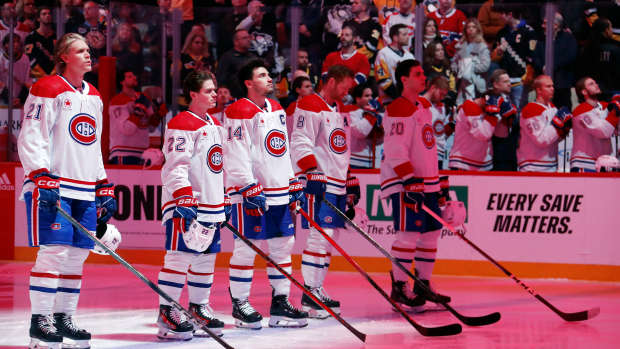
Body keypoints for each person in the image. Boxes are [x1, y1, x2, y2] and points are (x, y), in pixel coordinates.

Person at [18, 33, 118, 349]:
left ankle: (64, 319)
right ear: (64, 56)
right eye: (81, 50)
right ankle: (41, 323)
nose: (88, 55)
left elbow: (93, 146)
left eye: (89, 50)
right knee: (54, 254)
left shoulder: (94, 95)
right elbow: (32, 136)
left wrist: (102, 183)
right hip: (54, 185)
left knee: (76, 257)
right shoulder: (46, 88)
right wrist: (40, 174)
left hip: (85, 187)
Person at [224, 59, 308, 329]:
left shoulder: (277, 108)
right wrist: (247, 185)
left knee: (283, 245)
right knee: (247, 248)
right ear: (249, 83)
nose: (269, 78)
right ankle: (240, 303)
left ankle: (280, 302)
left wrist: (292, 179)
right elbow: (235, 152)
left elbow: (281, 148)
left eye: (268, 73)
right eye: (262, 75)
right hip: (251, 192)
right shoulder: (238, 110)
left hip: (279, 191)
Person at [155, 70, 226, 341]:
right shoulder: (182, 123)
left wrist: (224, 199)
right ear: (193, 95)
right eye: (208, 90)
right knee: (179, 257)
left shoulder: (215, 124)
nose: (214, 94)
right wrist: (184, 195)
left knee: (206, 259)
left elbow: (217, 167)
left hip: (210, 203)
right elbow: (174, 167)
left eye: (215, 89)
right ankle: (167, 312)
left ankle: (198, 308)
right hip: (186, 203)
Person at [379, 59, 451, 311]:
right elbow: (395, 150)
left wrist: (440, 185)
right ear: (404, 79)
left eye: (423, 74)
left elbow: (429, 149)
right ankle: (399, 286)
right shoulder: (399, 108)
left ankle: (422, 283)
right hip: (406, 183)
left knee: (430, 233)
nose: (423, 78)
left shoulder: (424, 107)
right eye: (417, 74)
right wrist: (409, 180)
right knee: (408, 234)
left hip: (427, 183)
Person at [290, 64, 360, 318]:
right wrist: (311, 171)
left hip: (336, 182)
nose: (348, 90)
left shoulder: (338, 110)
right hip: (318, 181)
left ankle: (317, 288)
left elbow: (339, 148)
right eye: (345, 85)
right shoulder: (310, 104)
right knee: (320, 235)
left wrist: (349, 177)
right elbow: (299, 141)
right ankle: (310, 292)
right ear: (331, 81)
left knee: (329, 237)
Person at [449, 69, 515, 171]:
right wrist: (492, 115)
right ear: (495, 84)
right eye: (505, 81)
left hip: (484, 164)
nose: (509, 84)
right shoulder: (469, 106)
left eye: (509, 81)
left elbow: (500, 134)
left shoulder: (497, 104)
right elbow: (483, 134)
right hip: (463, 163)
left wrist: (506, 119)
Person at [517, 75, 572, 172]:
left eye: (552, 86)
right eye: (548, 86)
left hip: (551, 165)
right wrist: (558, 123)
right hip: (532, 166)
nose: (552, 89)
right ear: (539, 90)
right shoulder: (530, 110)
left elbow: (554, 138)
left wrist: (564, 130)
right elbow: (541, 140)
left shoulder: (553, 108)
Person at [108, 70, 161, 165]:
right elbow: (127, 129)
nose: (134, 78)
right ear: (122, 82)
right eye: (129, 76)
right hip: (123, 152)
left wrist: (158, 115)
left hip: (143, 153)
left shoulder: (142, 98)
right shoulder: (118, 101)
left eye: (134, 75)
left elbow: (151, 128)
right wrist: (139, 111)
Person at [570, 77, 619, 172]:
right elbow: (604, 132)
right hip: (584, 163)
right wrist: (615, 113)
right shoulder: (580, 111)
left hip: (605, 163)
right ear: (584, 92)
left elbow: (617, 129)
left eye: (596, 83)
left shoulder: (605, 107)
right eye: (591, 84)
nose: (596, 85)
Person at [452, 18, 490, 105]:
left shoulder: (482, 47)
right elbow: (454, 63)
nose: (471, 29)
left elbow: (485, 65)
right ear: (465, 30)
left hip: (477, 84)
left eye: (473, 27)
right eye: (468, 27)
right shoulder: (460, 46)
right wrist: (459, 68)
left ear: (478, 29)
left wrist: (469, 67)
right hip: (461, 84)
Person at [420, 76, 453, 169]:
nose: (442, 98)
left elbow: (440, 134)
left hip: (440, 155)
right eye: (441, 94)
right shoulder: (419, 103)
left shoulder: (441, 107)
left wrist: (452, 124)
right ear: (433, 88)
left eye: (444, 95)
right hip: (424, 154)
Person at [376, 23, 415, 101]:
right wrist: (399, 97)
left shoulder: (410, 56)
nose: (408, 37)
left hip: (408, 100)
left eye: (408, 34)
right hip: (389, 102)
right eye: (404, 34)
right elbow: (383, 80)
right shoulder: (383, 54)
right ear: (395, 37)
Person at [349, 82, 384, 169]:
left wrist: (380, 130)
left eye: (371, 95)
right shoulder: (350, 111)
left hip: (370, 161)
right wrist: (371, 115)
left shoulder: (373, 112)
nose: (370, 99)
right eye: (367, 96)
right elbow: (360, 132)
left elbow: (379, 141)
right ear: (357, 99)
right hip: (354, 161)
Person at [216, 29, 257, 99]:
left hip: (252, 96)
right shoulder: (227, 57)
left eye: (249, 37)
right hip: (234, 97)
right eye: (244, 38)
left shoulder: (253, 57)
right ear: (236, 42)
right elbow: (221, 78)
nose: (248, 40)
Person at [24, 6, 57, 79]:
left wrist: (53, 73)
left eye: (49, 14)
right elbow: (29, 57)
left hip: (55, 75)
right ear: (38, 18)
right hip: (37, 76)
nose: (47, 15)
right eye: (44, 14)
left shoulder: (57, 36)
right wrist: (42, 75)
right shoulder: (31, 37)